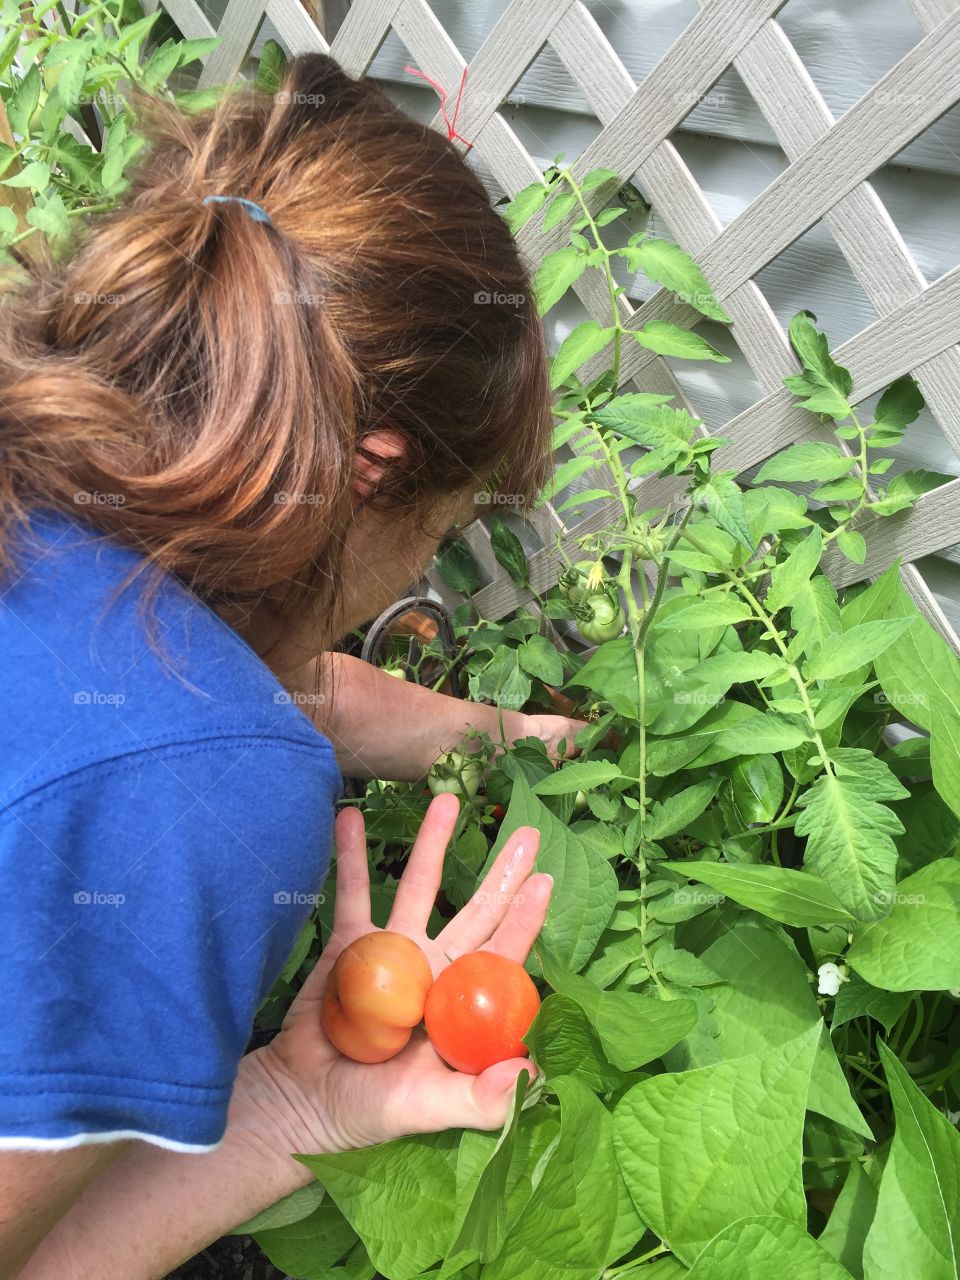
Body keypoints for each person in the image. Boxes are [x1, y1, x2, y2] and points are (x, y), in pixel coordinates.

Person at [0, 52, 583, 1277]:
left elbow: (245, 674)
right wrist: (288, 1109)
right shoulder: (195, 789)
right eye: (452, 516)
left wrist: (522, 739)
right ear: (376, 469)